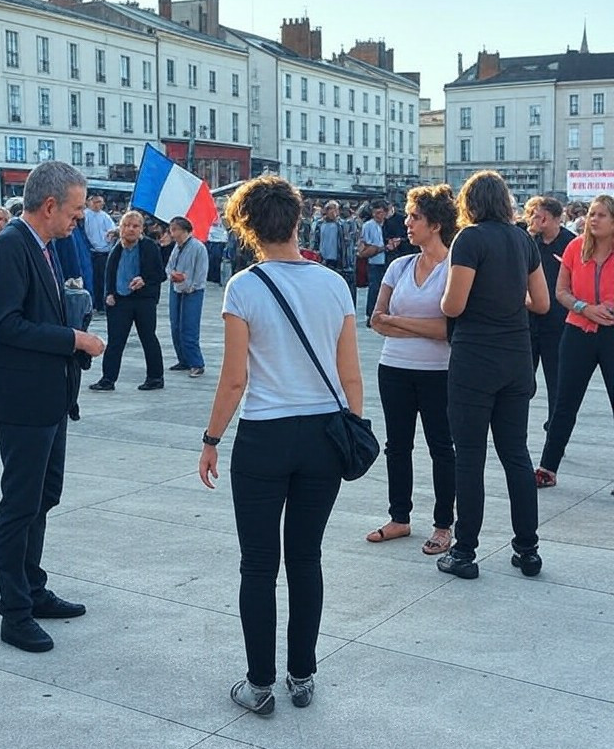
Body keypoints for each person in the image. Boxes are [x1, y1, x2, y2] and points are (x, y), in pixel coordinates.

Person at [198, 175, 362, 715]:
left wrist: (211, 438)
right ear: (298, 221)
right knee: (307, 558)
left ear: (246, 227)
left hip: (265, 435)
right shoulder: (334, 285)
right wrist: (353, 431)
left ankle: (260, 684)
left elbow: (234, 379)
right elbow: (351, 377)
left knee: (258, 565)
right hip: (323, 435)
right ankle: (302, 675)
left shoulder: (244, 287)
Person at [0, 161, 106, 653]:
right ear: (49, 206)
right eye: (75, 212)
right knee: (20, 504)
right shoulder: (9, 246)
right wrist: (73, 337)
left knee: (43, 496)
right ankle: (14, 612)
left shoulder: (46, 247)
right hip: (22, 400)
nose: (79, 221)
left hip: (51, 396)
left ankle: (32, 588)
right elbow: (4, 325)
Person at [438, 170, 549, 580]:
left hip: (475, 360)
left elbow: (453, 305)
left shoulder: (469, 239)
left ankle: (465, 552)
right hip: (516, 358)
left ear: (470, 202)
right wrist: (508, 296)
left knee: (469, 457)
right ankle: (527, 549)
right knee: (516, 454)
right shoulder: (524, 240)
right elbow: (541, 302)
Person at [367, 185, 457, 555]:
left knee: (441, 448)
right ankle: (399, 517)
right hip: (394, 367)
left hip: (439, 371)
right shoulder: (399, 265)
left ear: (434, 224)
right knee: (397, 447)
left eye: (414, 217)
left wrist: (399, 321)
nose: (406, 223)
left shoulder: (455, 267)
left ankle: (443, 525)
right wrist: (411, 324)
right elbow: (376, 319)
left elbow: (449, 330)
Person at [535, 195, 614, 488]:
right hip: (577, 331)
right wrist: (585, 308)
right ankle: (547, 468)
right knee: (564, 403)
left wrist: (607, 308)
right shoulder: (574, 247)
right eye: (592, 213)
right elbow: (561, 292)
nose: (593, 219)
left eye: (602, 215)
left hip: (611, 331)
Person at [89, 210, 166, 392]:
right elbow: (110, 273)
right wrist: (109, 293)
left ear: (142, 229)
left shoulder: (149, 247)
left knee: (148, 338)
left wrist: (144, 280)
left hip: (144, 300)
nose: (130, 229)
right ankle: (108, 379)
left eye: (135, 226)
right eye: (126, 225)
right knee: (115, 341)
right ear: (120, 228)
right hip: (120, 300)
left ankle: (155, 378)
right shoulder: (116, 247)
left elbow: (160, 274)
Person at [525, 197, 575, 431]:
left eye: (541, 216)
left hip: (558, 321)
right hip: (528, 318)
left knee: (556, 377)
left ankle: (554, 426)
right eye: (535, 215)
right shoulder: (528, 240)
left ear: (556, 218)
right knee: (523, 376)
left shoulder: (571, 243)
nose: (537, 220)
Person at [166, 216, 208, 377]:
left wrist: (190, 283)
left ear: (185, 230)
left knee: (189, 327)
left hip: (193, 291)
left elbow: (201, 272)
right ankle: (183, 359)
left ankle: (197, 363)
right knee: (175, 325)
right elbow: (169, 266)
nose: (172, 233)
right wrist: (172, 275)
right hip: (176, 287)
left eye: (175, 230)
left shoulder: (198, 247)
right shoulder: (177, 247)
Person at [311, 201, 356, 303]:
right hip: (323, 260)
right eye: (330, 209)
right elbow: (315, 241)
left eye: (335, 209)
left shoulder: (342, 225)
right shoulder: (319, 224)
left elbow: (348, 243)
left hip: (338, 261)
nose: (333, 212)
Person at [359, 200, 391, 326]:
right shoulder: (368, 226)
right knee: (374, 288)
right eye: (375, 213)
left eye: (380, 213)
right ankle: (370, 314)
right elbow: (365, 244)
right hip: (375, 261)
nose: (378, 215)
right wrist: (381, 248)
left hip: (388, 260)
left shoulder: (388, 225)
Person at [84, 194, 115, 312]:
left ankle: (101, 303)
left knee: (102, 279)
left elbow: (112, 230)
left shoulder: (105, 217)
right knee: (92, 279)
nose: (98, 205)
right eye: (96, 202)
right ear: (89, 202)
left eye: (100, 202)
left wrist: (111, 234)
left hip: (104, 251)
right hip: (91, 251)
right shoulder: (85, 215)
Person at [206, 213, 229, 285]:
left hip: (220, 241)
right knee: (209, 261)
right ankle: (209, 278)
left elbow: (228, 227)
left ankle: (216, 279)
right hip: (209, 240)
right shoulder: (209, 212)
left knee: (216, 261)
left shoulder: (225, 215)